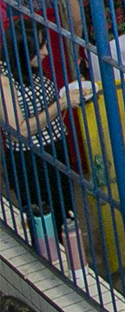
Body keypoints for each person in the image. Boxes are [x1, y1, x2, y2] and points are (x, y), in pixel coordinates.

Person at [0, 19, 91, 260]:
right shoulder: (4, 79)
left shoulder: (28, 69)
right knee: (43, 219)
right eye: (38, 48)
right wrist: (60, 104)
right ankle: (53, 263)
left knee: (65, 213)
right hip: (30, 160)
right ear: (21, 49)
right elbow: (17, 130)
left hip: (55, 149)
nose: (45, 53)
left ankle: (72, 261)